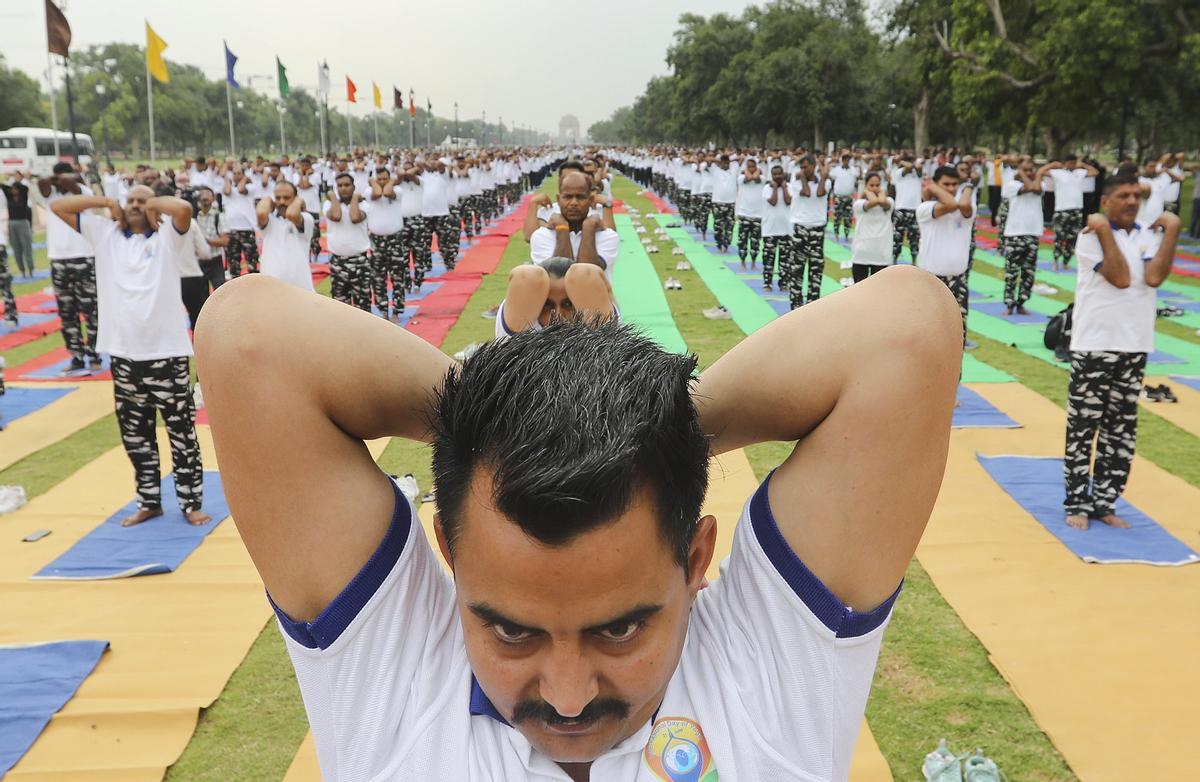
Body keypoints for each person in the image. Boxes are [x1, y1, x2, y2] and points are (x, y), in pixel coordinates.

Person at [193, 257, 960, 782]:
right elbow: (249, 338)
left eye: (620, 629)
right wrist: (510, 424)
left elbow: (907, 327)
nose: (565, 697)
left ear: (694, 563)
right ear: (449, 555)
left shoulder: (771, 673)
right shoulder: (395, 678)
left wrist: (648, 442)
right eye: (511, 631)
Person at [51, 186, 210, 527]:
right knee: (136, 437)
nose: (136, 206)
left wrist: (149, 204)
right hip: (124, 356)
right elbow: (59, 206)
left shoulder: (169, 236)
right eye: (131, 201)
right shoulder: (105, 233)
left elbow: (182, 207)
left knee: (181, 434)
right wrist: (108, 203)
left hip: (167, 356)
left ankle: (190, 502)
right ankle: (149, 501)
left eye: (143, 201)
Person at [1064, 174, 1180, 530]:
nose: (1132, 202)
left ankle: (1105, 501)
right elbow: (1121, 277)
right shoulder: (1089, 238)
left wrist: (1172, 230)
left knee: (1121, 431)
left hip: (1135, 344)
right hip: (1094, 345)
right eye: (1124, 196)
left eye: (1136, 196)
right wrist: (1102, 231)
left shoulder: (1149, 234)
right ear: (1106, 201)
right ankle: (1077, 503)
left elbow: (1155, 277)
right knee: (1084, 428)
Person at [37, 163, 101, 372]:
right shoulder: (51, 195)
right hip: (59, 259)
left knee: (90, 310)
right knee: (67, 312)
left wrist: (67, 178)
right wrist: (55, 178)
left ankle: (94, 354)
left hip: (83, 258)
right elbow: (42, 183)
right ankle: (76, 356)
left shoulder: (84, 192)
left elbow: (73, 188)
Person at [917, 166, 976, 349]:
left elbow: (963, 206)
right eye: (946, 184)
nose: (951, 188)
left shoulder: (965, 210)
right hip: (931, 280)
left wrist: (968, 186)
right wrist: (932, 187)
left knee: (958, 338)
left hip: (958, 280)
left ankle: (955, 378)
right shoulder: (925, 208)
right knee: (928, 336)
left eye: (954, 184)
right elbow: (950, 204)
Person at [494, 257, 616, 340]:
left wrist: (609, 294)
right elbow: (526, 276)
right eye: (547, 305)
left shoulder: (599, 326)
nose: (558, 315)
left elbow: (586, 274)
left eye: (568, 304)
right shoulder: (518, 325)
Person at [528, 171, 619, 270]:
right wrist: (562, 229)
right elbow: (560, 276)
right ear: (558, 199)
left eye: (580, 197)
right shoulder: (541, 235)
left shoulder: (607, 236)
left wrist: (588, 229)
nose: (574, 203)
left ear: (591, 200)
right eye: (568, 197)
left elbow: (587, 274)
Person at [1000, 159, 1044, 315]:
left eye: (1032, 169)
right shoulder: (1012, 185)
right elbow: (1029, 187)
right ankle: (1009, 304)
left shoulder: (1040, 184)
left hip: (1033, 233)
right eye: (1026, 170)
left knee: (1028, 272)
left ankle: (1022, 302)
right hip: (1015, 234)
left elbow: (1036, 188)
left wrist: (1034, 174)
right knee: (1012, 271)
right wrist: (1024, 173)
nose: (1030, 172)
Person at [1041, 156, 1099, 271]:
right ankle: (1055, 260)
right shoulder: (1058, 173)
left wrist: (1082, 165)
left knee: (1073, 237)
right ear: (1065, 163)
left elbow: (1095, 172)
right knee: (1060, 236)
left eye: (1074, 163)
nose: (1072, 165)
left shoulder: (1080, 173)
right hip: (1062, 209)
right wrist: (1052, 165)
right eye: (1070, 163)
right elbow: (1042, 172)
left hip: (1077, 209)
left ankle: (1066, 261)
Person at [324, 173, 372, 311]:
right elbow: (336, 216)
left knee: (363, 306)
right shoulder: (329, 204)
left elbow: (355, 217)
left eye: (347, 185)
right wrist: (333, 197)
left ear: (354, 187)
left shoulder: (363, 205)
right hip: (338, 261)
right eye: (340, 186)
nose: (343, 188)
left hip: (360, 261)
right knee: (340, 307)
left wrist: (355, 199)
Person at [257, 180, 316, 292]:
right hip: (271, 289)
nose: (282, 202)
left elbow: (291, 214)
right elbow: (261, 213)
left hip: (300, 289)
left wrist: (299, 200)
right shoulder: (270, 221)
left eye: (286, 197)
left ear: (295, 198)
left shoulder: (306, 218)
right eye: (278, 198)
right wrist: (268, 199)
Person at [787, 156, 830, 309]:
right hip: (801, 228)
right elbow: (806, 192)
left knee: (816, 268)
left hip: (817, 229)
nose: (804, 170)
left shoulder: (825, 181)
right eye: (802, 168)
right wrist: (803, 177)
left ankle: (813, 304)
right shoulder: (796, 181)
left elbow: (819, 193)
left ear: (813, 166)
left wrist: (823, 177)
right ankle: (796, 304)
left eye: (806, 167)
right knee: (797, 268)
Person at [365, 168, 407, 322]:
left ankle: (396, 311)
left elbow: (388, 192)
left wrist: (391, 181)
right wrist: (373, 182)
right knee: (378, 279)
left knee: (397, 278)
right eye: (379, 179)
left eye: (385, 179)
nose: (382, 182)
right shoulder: (369, 191)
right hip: (377, 241)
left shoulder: (397, 190)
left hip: (395, 239)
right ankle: (383, 311)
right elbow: (376, 193)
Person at [851, 172, 893, 283]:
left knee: (879, 295)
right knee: (859, 293)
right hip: (862, 254)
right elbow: (874, 201)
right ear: (865, 186)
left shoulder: (889, 202)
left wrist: (881, 193)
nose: (875, 188)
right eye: (871, 185)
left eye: (878, 185)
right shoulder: (859, 204)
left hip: (881, 255)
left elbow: (883, 202)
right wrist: (867, 192)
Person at [223, 165, 263, 278]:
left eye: (239, 173)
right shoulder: (228, 188)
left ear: (244, 174)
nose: (236, 176)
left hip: (247, 229)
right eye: (234, 173)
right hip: (231, 229)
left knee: (252, 260)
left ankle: (255, 286)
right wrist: (227, 178)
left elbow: (241, 189)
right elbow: (227, 191)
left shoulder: (250, 187)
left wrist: (245, 178)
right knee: (234, 262)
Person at [760, 163, 793, 292]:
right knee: (769, 259)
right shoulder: (766, 188)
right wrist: (775, 188)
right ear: (772, 176)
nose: (778, 176)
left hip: (786, 229)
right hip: (770, 230)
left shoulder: (789, 187)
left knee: (785, 260)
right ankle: (767, 283)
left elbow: (788, 201)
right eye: (775, 174)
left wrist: (783, 188)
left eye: (780, 174)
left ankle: (784, 283)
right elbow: (773, 202)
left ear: (784, 174)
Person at [193, 187, 229, 298]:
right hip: (199, 262)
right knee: (201, 296)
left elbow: (225, 241)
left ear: (213, 198)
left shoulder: (218, 217)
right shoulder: (194, 217)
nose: (204, 197)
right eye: (202, 195)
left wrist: (204, 241)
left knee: (221, 294)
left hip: (215, 261)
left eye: (207, 194)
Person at [1, 172, 35, 278]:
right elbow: (2, 186)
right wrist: (9, 177)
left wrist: (18, 178)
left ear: (19, 189)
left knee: (26, 247)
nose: (13, 190)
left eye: (15, 188)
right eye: (12, 189)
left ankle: (30, 269)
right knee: (16, 248)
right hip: (12, 224)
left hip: (23, 223)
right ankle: (22, 270)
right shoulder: (9, 197)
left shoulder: (23, 195)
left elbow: (24, 187)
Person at [891, 155, 922, 263]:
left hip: (915, 209)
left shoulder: (918, 174)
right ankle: (895, 259)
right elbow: (908, 167)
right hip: (901, 208)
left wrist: (902, 160)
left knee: (915, 237)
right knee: (898, 236)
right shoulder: (899, 173)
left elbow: (918, 167)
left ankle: (914, 260)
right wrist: (905, 162)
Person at [734, 158, 763, 269]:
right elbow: (749, 178)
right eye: (749, 167)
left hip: (757, 215)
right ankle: (743, 262)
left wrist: (757, 172)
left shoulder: (762, 179)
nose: (751, 169)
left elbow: (755, 178)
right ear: (746, 168)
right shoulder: (741, 178)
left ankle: (753, 262)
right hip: (744, 214)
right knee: (742, 241)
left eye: (753, 166)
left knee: (755, 242)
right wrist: (751, 171)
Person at [709, 155, 738, 254]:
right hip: (717, 202)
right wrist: (719, 161)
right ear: (720, 163)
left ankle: (726, 245)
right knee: (718, 226)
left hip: (731, 203)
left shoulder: (733, 169)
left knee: (729, 226)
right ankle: (719, 244)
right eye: (724, 162)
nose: (726, 164)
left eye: (727, 163)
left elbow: (741, 157)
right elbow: (709, 159)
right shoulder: (715, 170)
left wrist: (730, 160)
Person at [829, 153, 860, 240]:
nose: (847, 161)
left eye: (848, 160)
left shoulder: (853, 170)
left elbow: (859, 176)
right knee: (837, 216)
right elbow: (830, 176)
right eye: (845, 160)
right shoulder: (836, 170)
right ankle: (836, 233)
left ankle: (847, 234)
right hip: (839, 196)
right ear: (842, 161)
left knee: (848, 217)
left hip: (849, 196)